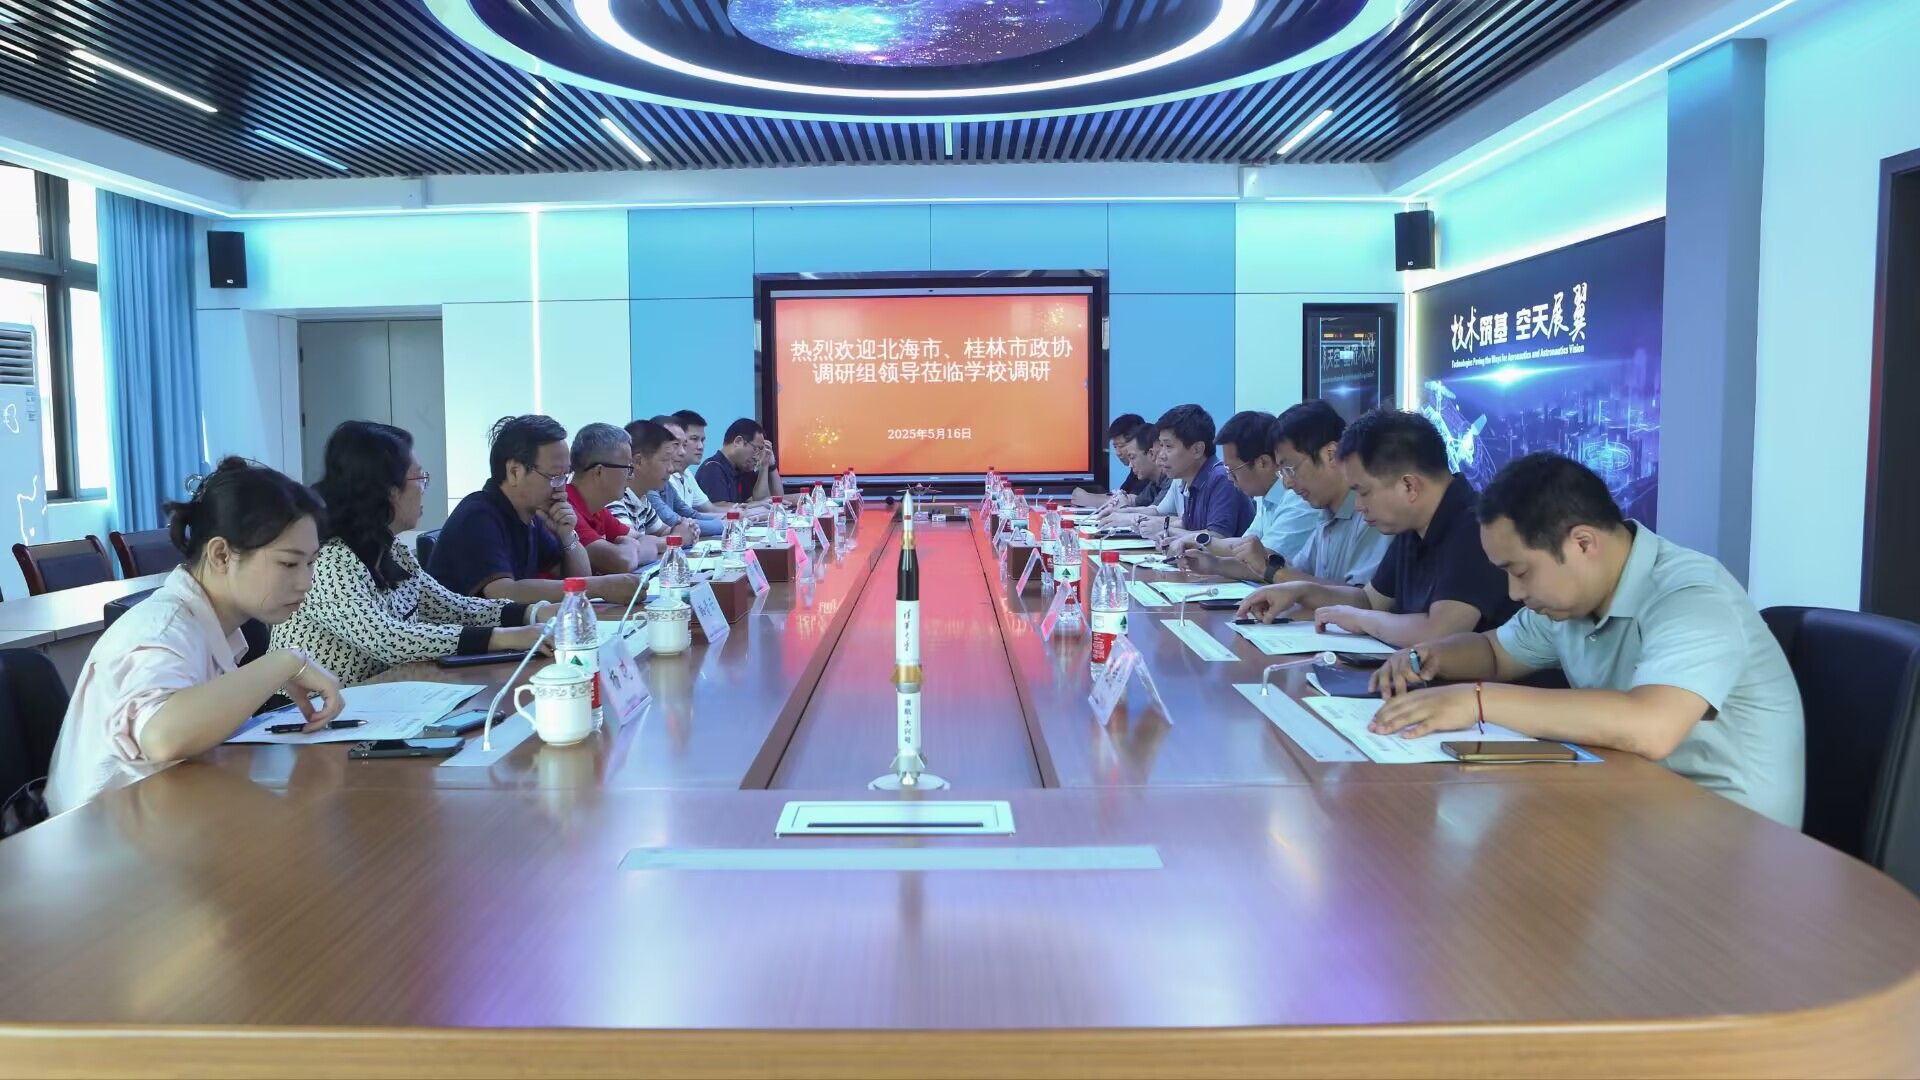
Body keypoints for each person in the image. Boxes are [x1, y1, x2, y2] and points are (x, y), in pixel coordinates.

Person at [1367, 452, 1806, 827]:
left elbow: (1652, 726)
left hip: (1728, 837)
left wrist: (1476, 701)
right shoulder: (1572, 602)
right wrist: (1426, 656)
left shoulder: (1693, 597)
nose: (1514, 593)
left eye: (1520, 572)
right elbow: (1495, 653)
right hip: (1632, 802)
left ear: (1582, 543)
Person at [46, 458, 344, 814]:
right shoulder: (163, 628)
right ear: (221, 555)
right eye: (289, 563)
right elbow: (162, 737)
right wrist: (284, 663)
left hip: (165, 820)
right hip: (101, 837)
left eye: (311, 562)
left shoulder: (214, 625)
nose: (306, 582)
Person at [272, 421, 553, 686]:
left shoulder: (391, 549)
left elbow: (452, 608)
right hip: (304, 711)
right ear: (388, 490)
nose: (424, 489)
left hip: (375, 699)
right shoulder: (330, 560)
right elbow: (389, 639)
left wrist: (534, 613)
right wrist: (507, 637)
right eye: (421, 478)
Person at [1235, 409, 1516, 647]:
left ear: (1409, 485)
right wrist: (1300, 592)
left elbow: (1440, 632)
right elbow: (1369, 600)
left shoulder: (1475, 527)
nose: (1358, 505)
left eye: (1363, 492)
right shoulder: (1413, 526)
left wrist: (1361, 620)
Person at [427, 414, 640, 604]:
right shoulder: (478, 515)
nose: (562, 487)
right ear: (515, 472)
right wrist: (599, 588)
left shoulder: (533, 516)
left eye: (565, 475)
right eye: (554, 476)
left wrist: (568, 536)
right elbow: (503, 593)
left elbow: (576, 579)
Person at [1246, 399, 1391, 587]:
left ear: (1330, 454)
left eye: (1291, 469)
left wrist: (1272, 571)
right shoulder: (1326, 515)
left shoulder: (1370, 515)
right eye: (1283, 473)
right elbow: (1297, 571)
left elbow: (1362, 599)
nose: (1288, 484)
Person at [1168, 410, 1319, 581]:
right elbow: (1244, 547)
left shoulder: (1298, 498)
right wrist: (1209, 558)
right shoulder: (1266, 497)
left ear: (1263, 463)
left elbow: (1265, 563)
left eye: (1232, 470)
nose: (1229, 477)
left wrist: (1204, 545)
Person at [565, 423, 660, 574]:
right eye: (628, 468)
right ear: (599, 472)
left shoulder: (598, 510)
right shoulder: (566, 508)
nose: (631, 476)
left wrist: (630, 549)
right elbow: (621, 562)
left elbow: (650, 543)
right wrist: (631, 547)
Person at [1154, 403, 1254, 540]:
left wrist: (1168, 532)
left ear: (1197, 450)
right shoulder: (1189, 480)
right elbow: (1188, 526)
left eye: (1168, 446)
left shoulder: (1222, 478)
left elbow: (1216, 538)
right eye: (1161, 445)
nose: (1161, 455)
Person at [611, 417, 703, 542]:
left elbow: (663, 531)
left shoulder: (642, 499)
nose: (671, 469)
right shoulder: (615, 498)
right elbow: (634, 544)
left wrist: (686, 529)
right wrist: (677, 539)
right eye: (665, 460)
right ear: (638, 461)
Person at [640, 415, 721, 538]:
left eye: (684, 445)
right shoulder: (646, 486)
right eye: (676, 444)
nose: (683, 452)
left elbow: (690, 516)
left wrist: (731, 519)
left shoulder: (666, 481)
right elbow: (673, 523)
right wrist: (729, 523)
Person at [1072, 413, 1147, 507]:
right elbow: (1121, 496)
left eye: (1121, 446)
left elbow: (1130, 503)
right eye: (1115, 447)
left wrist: (1088, 498)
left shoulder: (1147, 472)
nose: (1118, 453)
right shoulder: (1135, 470)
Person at [695, 417, 767, 508]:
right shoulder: (712, 468)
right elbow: (718, 507)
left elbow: (758, 500)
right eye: (756, 449)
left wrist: (766, 465)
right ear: (738, 442)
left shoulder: (742, 469)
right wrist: (756, 505)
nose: (757, 457)